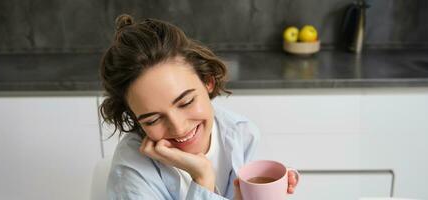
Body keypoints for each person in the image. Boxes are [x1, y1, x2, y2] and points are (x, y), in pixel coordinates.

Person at [99, 14, 299, 199]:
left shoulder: (242, 133)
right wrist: (202, 178)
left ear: (207, 81)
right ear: (135, 119)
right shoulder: (131, 171)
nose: (178, 127)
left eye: (185, 102)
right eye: (153, 119)